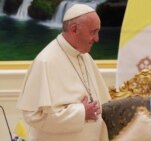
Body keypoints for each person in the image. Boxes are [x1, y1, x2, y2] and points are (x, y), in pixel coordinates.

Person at [16, 4, 111, 141]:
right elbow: (33, 116)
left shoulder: (85, 56)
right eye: (93, 32)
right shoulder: (45, 62)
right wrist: (81, 112)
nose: (97, 39)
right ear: (74, 29)